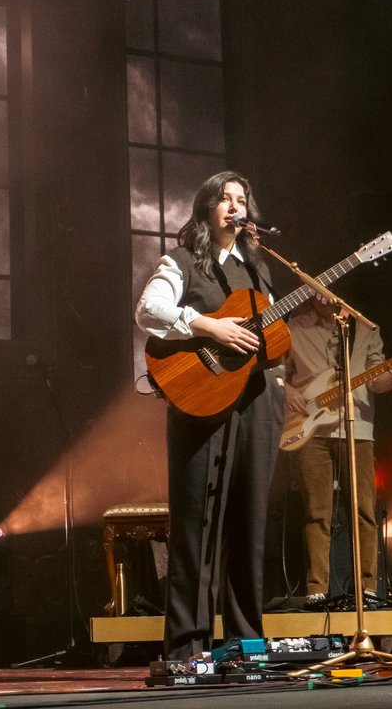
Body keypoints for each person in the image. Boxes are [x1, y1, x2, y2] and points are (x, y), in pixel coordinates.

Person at [135, 170, 284, 660]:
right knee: (197, 523)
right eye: (225, 198)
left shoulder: (259, 268)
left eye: (242, 199)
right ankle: (186, 648)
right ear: (206, 208)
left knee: (249, 523)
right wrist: (209, 327)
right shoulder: (180, 261)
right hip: (199, 398)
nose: (235, 206)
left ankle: (245, 643)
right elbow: (149, 311)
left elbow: (273, 339)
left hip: (257, 400)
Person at [281, 296, 392, 605]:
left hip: (358, 428)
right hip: (308, 429)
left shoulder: (364, 327)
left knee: (364, 510)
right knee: (317, 513)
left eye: (329, 291)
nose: (323, 297)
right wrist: (288, 390)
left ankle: (367, 588)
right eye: (317, 290)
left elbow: (376, 380)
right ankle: (316, 590)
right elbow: (275, 372)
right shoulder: (293, 327)